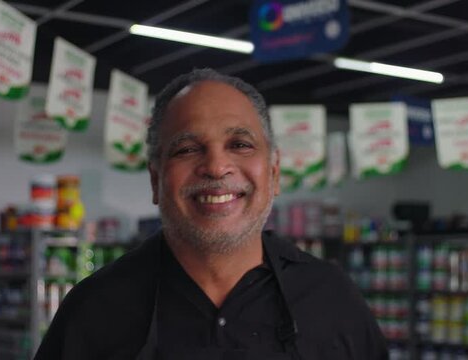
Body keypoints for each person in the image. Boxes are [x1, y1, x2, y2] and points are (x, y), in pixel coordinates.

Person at [34, 69, 388, 360]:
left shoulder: (332, 297)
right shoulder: (94, 309)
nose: (217, 167)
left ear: (274, 172)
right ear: (156, 180)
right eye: (187, 149)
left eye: (240, 144)